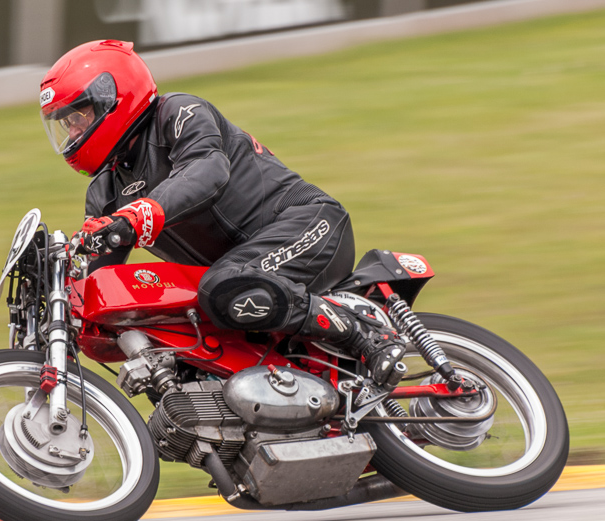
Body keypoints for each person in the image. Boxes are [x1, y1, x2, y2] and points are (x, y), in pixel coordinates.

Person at [38, 40, 405, 388]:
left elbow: (207, 170)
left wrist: (138, 215)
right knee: (177, 333)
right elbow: (102, 285)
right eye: (65, 123)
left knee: (224, 287)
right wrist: (61, 293)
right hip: (239, 271)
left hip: (308, 224)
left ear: (112, 100)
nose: (71, 132)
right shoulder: (104, 190)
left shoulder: (178, 113)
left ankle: (366, 335)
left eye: (78, 117)